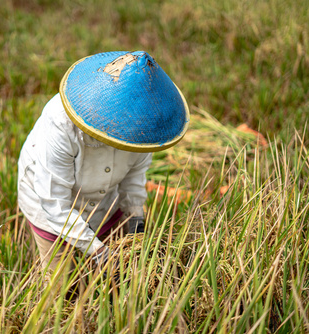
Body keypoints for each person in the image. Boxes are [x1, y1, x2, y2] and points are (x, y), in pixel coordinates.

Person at [17, 51, 190, 280]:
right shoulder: (60, 125)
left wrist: (136, 219)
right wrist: (97, 252)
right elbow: (54, 201)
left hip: (106, 201)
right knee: (60, 288)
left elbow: (134, 177)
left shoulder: (147, 126)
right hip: (49, 207)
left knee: (120, 279)